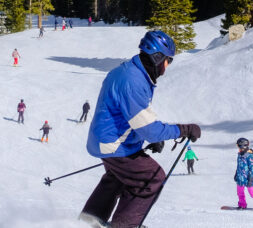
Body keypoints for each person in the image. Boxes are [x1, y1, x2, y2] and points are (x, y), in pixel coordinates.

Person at [78, 30, 202, 228]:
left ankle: (89, 221)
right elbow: (149, 129)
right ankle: (124, 226)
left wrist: (146, 137)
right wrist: (184, 129)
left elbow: (128, 117)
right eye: (168, 61)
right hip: (114, 144)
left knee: (118, 177)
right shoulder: (133, 81)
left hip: (106, 140)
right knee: (151, 177)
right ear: (157, 57)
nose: (167, 67)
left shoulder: (130, 72)